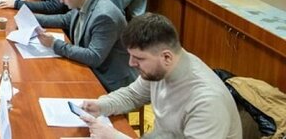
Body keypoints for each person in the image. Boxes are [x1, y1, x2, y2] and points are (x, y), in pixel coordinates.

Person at [82, 13, 241, 139]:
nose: (131, 63)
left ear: (166, 57)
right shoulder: (160, 69)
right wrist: (101, 105)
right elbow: (133, 95)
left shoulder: (207, 102)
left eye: (139, 58)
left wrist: (116, 137)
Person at [35, 0, 136, 92]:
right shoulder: (85, 0)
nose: (60, 1)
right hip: (88, 68)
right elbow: (65, 19)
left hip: (107, 79)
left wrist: (54, 44)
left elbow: (93, 57)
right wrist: (33, 18)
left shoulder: (104, 16)